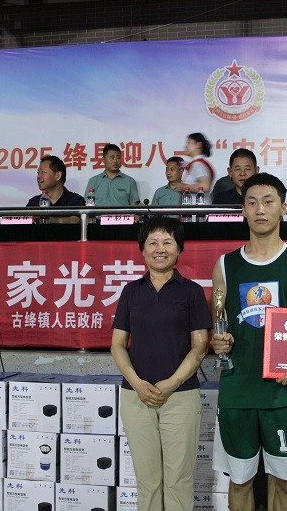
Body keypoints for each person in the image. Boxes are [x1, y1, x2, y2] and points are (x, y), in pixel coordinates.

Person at [210, 172, 287, 510]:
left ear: (283, 208)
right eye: (252, 203)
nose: (260, 209)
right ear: (242, 210)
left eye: (268, 202)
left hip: (283, 392)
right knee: (240, 482)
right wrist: (218, 342)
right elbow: (219, 323)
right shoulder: (225, 265)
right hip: (238, 389)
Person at [111, 216, 211, 511]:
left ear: (179, 249)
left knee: (179, 481)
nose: (160, 249)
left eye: (168, 242)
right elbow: (117, 345)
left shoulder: (192, 291)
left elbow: (200, 346)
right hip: (136, 396)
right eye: (152, 242)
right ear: (142, 249)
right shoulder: (131, 291)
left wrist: (171, 383)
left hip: (180, 396)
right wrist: (137, 383)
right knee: (148, 481)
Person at [27, 154, 85, 224]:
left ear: (58, 175)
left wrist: (47, 219)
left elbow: (75, 220)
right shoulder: (34, 202)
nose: (39, 177)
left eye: (43, 172)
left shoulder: (75, 200)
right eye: (38, 173)